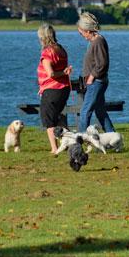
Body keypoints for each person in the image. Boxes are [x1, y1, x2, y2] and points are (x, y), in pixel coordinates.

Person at [37, 23, 73, 154]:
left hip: (52, 90)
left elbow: (50, 73)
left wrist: (63, 73)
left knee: (49, 119)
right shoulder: (61, 49)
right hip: (64, 89)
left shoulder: (47, 52)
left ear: (43, 37)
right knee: (60, 117)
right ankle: (69, 143)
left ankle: (54, 148)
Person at [77, 12, 115, 133]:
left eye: (81, 32)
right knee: (100, 112)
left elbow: (102, 64)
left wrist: (91, 77)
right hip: (96, 82)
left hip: (96, 82)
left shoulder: (98, 41)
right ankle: (113, 138)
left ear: (87, 30)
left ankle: (80, 140)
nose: (81, 35)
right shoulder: (94, 42)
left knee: (85, 112)